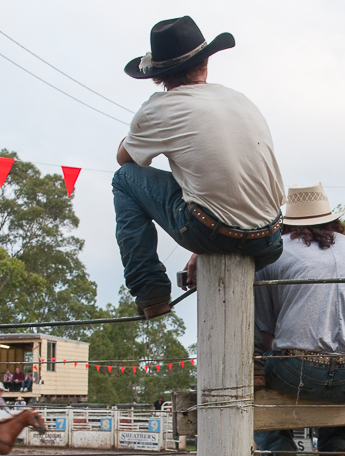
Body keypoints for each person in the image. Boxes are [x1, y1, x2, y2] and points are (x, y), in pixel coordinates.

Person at [115, 15, 285, 318]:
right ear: (205, 61)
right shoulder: (241, 99)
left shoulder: (157, 108)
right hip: (271, 239)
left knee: (124, 179)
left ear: (160, 76)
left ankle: (149, 289)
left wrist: (142, 129)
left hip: (214, 231)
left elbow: (125, 159)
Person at [255, 183, 345, 456]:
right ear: (331, 217)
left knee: (256, 385)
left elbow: (266, 333)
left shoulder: (274, 253)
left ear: (287, 221)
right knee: (336, 385)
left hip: (300, 371)